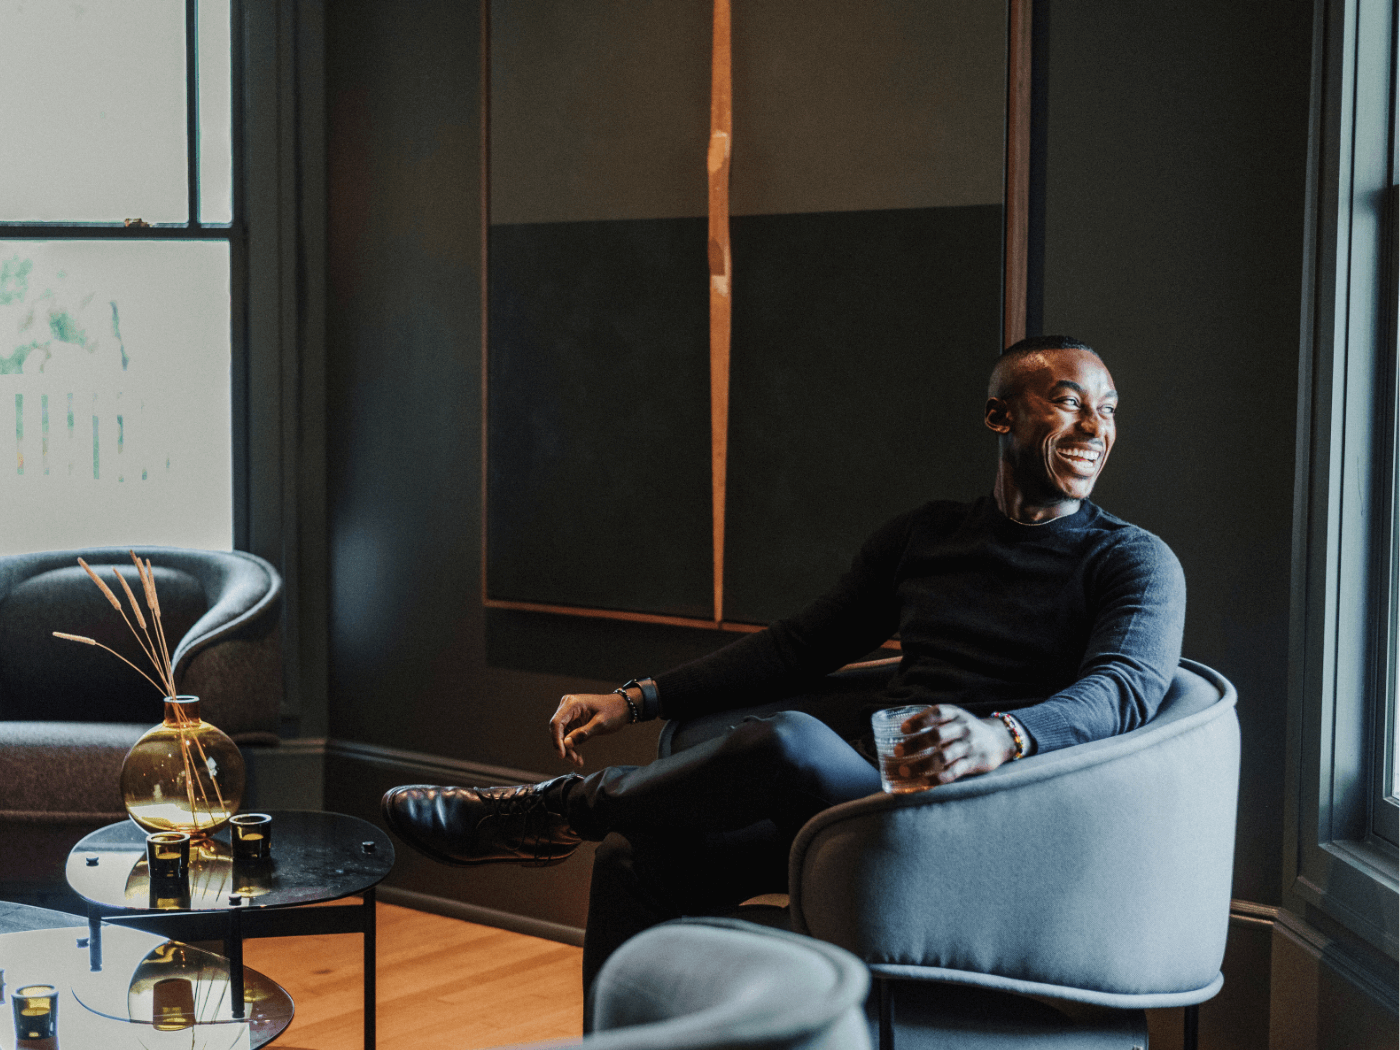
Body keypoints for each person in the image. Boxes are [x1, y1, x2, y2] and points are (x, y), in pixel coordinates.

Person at [381, 335, 1186, 1003]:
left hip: (993, 821)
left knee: (786, 742)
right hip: (866, 801)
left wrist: (999, 736)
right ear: (999, 415)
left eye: (1109, 409)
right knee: (635, 859)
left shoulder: (1131, 561)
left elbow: (1123, 690)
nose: (1096, 426)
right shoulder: (927, 536)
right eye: (1070, 402)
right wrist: (637, 698)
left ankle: (551, 812)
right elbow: (800, 646)